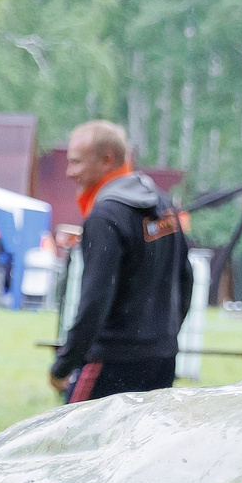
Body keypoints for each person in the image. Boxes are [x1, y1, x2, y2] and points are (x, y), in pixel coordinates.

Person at [47, 120, 189, 402]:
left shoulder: (105, 217)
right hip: (161, 360)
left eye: (76, 163)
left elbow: (95, 300)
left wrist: (64, 364)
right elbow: (185, 280)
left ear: (106, 160)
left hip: (111, 361)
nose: (69, 172)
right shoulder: (163, 205)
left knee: (78, 443)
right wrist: (164, 339)